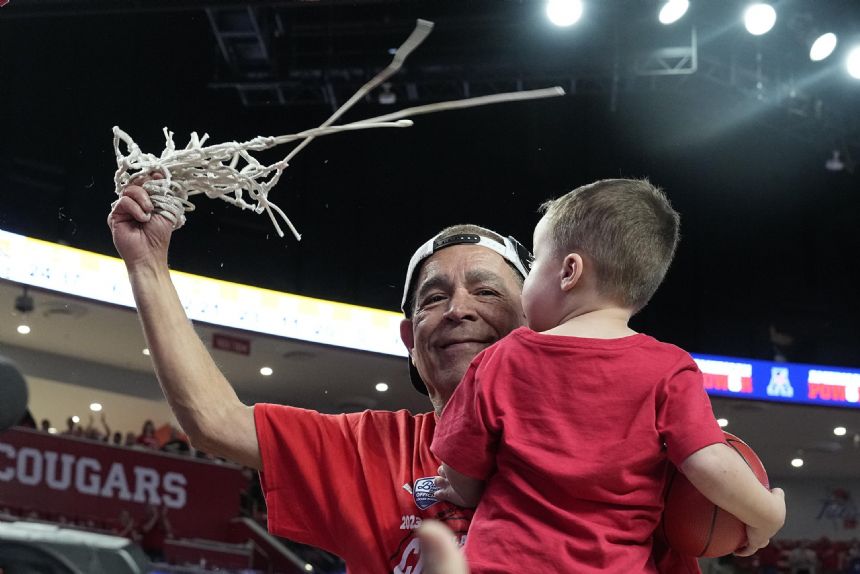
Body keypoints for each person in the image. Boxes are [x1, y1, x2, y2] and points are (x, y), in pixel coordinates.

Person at [108, 174, 716, 573]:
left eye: (487, 290)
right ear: (410, 339)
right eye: (432, 298)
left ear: (536, 321)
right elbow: (216, 422)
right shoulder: (372, 449)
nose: (458, 309)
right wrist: (148, 266)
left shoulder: (635, 434)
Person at [431, 179, 786, 572]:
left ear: (569, 271)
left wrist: (461, 491)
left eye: (533, 264)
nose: (528, 278)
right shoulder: (669, 368)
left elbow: (464, 476)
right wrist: (767, 513)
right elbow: (707, 461)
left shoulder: (501, 358)